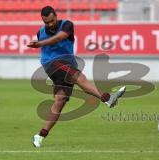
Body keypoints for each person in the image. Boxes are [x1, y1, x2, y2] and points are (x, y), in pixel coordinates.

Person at [27, 6, 126, 148]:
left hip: (66, 63)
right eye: (46, 22)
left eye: (51, 21)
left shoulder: (67, 25)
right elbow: (47, 46)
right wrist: (40, 43)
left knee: (59, 101)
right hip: (51, 64)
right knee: (79, 77)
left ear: (56, 15)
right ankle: (107, 99)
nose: (49, 24)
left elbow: (61, 37)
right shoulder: (40, 32)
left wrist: (39, 44)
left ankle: (40, 135)